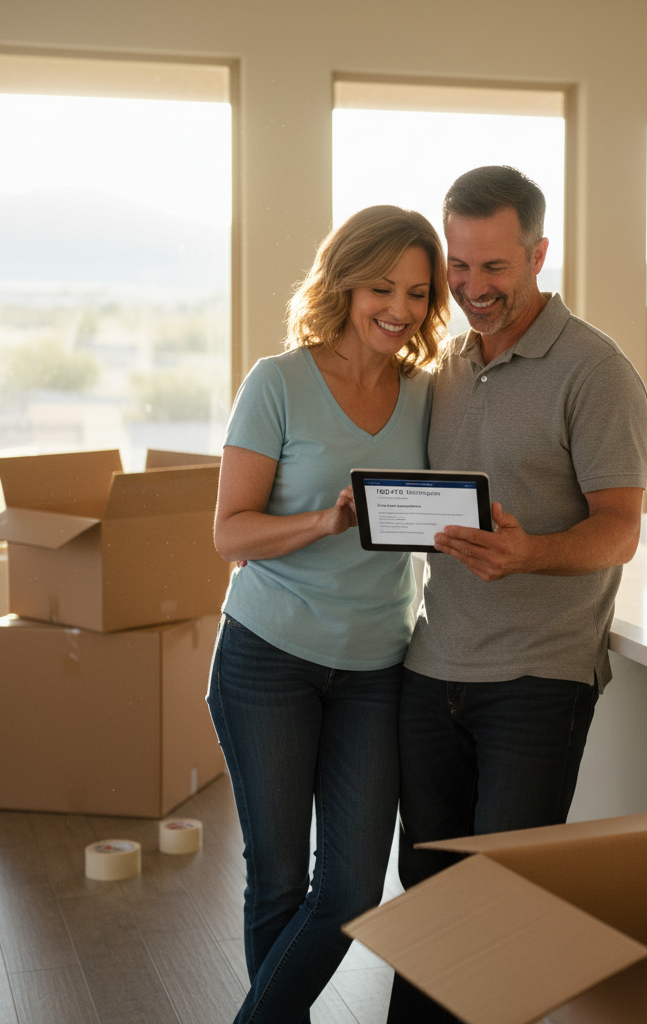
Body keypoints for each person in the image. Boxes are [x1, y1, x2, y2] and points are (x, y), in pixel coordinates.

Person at [388, 166, 647, 1023]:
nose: (471, 288)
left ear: (539, 253)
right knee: (427, 890)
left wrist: (530, 552)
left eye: (493, 267)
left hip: (540, 676)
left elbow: (620, 528)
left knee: (503, 898)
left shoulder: (596, 370)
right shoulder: (449, 364)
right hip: (434, 666)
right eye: (458, 267)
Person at [206, 205, 448, 1024]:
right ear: (345, 282)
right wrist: (325, 520)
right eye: (382, 286)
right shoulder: (277, 383)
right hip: (267, 654)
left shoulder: (429, 394)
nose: (400, 309)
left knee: (347, 887)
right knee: (276, 878)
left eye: (417, 292)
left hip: (378, 665)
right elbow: (228, 530)